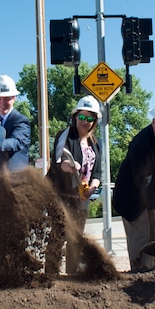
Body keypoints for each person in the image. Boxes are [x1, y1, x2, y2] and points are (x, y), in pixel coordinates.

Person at [112, 99, 155, 273]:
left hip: (147, 195)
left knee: (151, 237)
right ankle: (140, 275)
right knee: (141, 238)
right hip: (132, 200)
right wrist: (154, 207)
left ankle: (150, 273)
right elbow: (142, 180)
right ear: (153, 121)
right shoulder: (141, 143)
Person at [46, 95, 102, 274]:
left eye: (90, 118)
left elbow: (98, 172)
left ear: (95, 121)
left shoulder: (95, 144)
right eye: (82, 117)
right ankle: (51, 276)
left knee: (75, 241)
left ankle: (72, 277)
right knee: (57, 237)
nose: (85, 121)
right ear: (75, 116)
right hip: (61, 197)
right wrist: (69, 166)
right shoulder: (65, 135)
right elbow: (59, 159)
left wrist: (93, 186)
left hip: (81, 199)